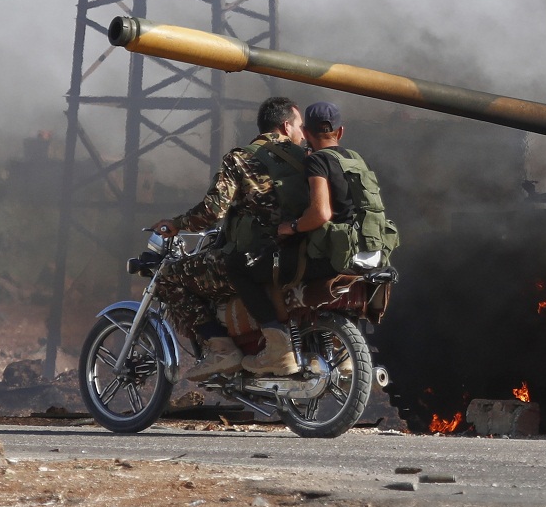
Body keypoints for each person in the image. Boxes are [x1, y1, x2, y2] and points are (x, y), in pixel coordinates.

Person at [149, 96, 308, 380]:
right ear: (286, 126)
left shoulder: (241, 158)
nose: (303, 134)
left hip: (253, 257)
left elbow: (212, 211)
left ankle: (221, 348)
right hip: (298, 254)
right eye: (301, 127)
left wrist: (176, 224)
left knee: (169, 277)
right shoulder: (307, 161)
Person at [276, 101, 400, 278]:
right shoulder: (358, 159)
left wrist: (291, 227)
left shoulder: (317, 161)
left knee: (269, 266)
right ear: (340, 131)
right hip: (376, 255)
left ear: (305, 132)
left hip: (342, 258)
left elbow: (321, 213)